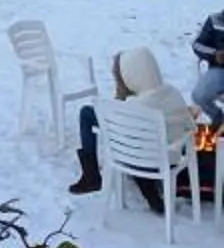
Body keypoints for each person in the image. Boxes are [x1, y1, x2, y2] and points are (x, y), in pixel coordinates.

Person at [73, 48, 202, 211]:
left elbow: (119, 136)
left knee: (87, 113)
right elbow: (188, 125)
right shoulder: (173, 94)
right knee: (137, 139)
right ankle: (152, 196)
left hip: (140, 161)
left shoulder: (133, 107)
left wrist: (121, 96)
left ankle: (91, 175)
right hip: (169, 159)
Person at [191, 7, 224, 124]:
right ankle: (218, 119)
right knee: (198, 95)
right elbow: (197, 45)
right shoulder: (215, 20)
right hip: (219, 71)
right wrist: (214, 54)